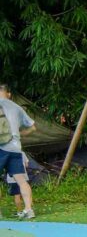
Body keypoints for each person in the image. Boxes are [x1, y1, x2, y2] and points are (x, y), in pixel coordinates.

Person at [0, 83, 36, 219]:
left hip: (0, 147)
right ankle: (28, 210)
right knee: (21, 180)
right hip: (15, 149)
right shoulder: (17, 107)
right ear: (9, 94)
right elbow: (33, 128)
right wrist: (21, 134)